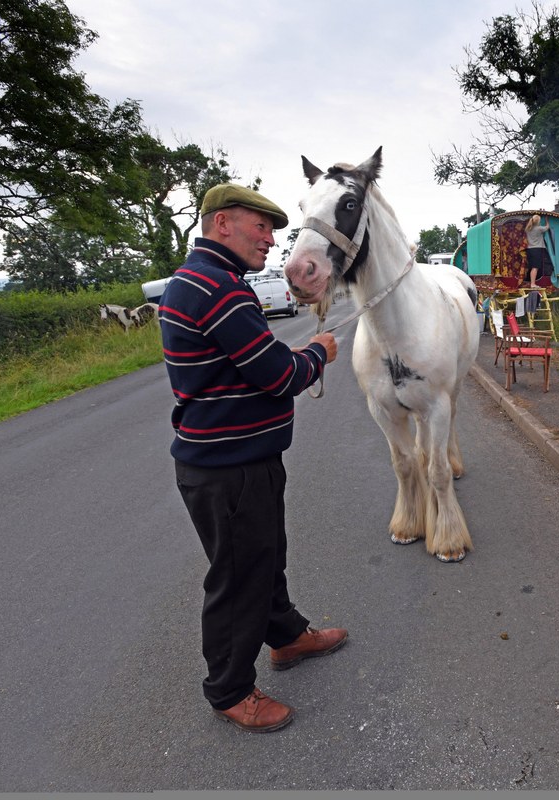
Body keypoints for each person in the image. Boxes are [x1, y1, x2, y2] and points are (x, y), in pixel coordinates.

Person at [158, 183, 347, 733]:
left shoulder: (201, 282)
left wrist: (281, 357)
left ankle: (286, 636)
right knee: (239, 576)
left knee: (263, 557)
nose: (270, 239)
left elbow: (245, 361)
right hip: (229, 467)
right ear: (222, 224)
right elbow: (280, 375)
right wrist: (318, 352)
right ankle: (230, 689)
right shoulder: (220, 290)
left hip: (236, 458)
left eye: (271, 229)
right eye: (259, 227)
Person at [523, 213, 552, 288]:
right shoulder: (539, 228)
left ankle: (530, 282)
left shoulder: (528, 228)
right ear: (538, 221)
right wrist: (546, 220)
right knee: (535, 267)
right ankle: (533, 284)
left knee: (532, 267)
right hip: (537, 249)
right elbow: (547, 227)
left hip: (529, 249)